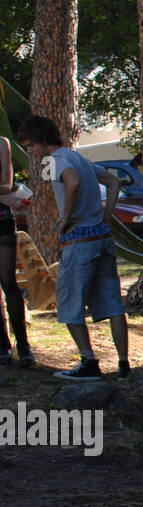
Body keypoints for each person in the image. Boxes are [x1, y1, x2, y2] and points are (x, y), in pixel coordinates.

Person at [14, 116, 130, 381]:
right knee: (112, 304)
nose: (30, 151)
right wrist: (105, 216)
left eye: (31, 145)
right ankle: (124, 364)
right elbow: (113, 183)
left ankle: (88, 362)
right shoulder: (79, 157)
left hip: (78, 241)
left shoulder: (55, 161)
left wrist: (65, 218)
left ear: (43, 140)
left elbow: (73, 181)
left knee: (68, 304)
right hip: (101, 238)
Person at [0, 135, 33, 366]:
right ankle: (3, 345)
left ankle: (23, 344)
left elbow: (5, 183)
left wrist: (5, 195)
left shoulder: (2, 143)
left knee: (9, 282)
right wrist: (4, 197)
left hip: (1, 220)